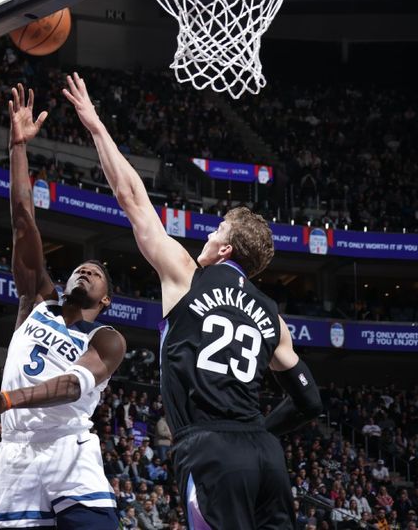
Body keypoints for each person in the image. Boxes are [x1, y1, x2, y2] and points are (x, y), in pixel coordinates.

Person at [63, 72, 322, 530]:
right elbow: (309, 402)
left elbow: (131, 198)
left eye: (217, 229)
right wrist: (262, 430)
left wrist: (96, 126)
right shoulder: (272, 316)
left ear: (225, 250)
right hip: (266, 458)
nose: (208, 233)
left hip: (211, 449)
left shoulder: (184, 273)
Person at [0, 84, 126, 529]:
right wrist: (16, 146)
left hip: (68, 449)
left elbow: (73, 386)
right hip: (15, 453)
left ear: (106, 299)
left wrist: (7, 399)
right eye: (80, 267)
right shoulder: (36, 299)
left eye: (97, 273)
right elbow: (22, 221)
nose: (85, 271)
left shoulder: (106, 339)